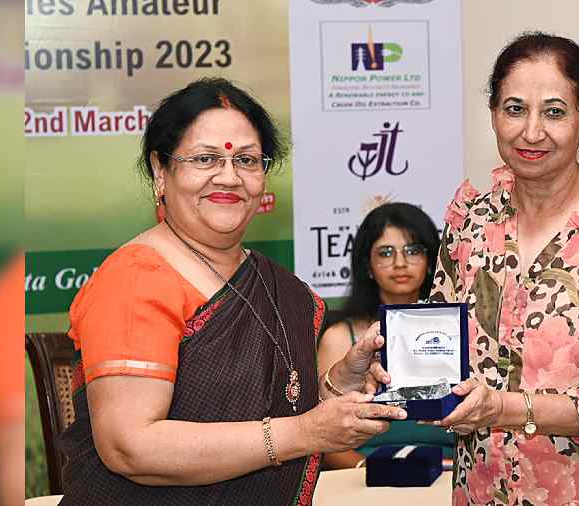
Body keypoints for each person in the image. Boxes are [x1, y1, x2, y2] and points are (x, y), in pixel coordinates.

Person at [58, 77, 406, 505]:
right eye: (205, 159)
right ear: (159, 171)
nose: (228, 177)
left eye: (247, 160)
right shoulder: (135, 278)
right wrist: (304, 433)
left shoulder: (276, 284)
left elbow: (274, 408)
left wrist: (338, 384)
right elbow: (131, 447)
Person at [428, 33, 579, 505]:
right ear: (494, 115)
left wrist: (502, 408)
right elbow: (441, 352)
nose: (532, 131)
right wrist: (389, 371)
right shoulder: (471, 223)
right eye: (515, 108)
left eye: (555, 112)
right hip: (483, 489)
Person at [317, 202, 452, 469]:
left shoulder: (456, 332)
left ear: (429, 262)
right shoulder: (339, 338)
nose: (400, 263)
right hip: (362, 480)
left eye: (412, 251)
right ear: (368, 266)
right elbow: (321, 438)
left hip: (450, 475)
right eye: (386, 253)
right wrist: (374, 472)